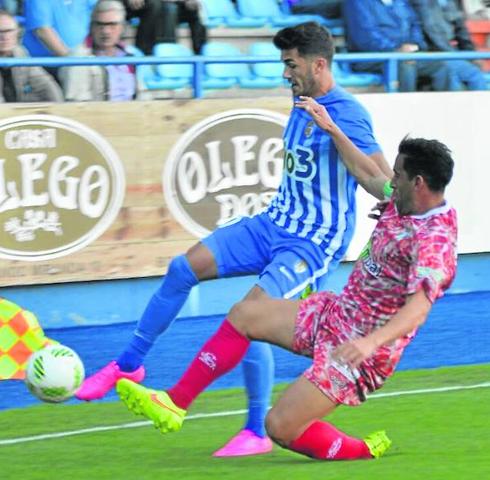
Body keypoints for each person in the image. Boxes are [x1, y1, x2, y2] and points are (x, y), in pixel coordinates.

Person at [76, 21, 391, 457]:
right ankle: (130, 364)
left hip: (311, 243)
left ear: (318, 64)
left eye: (291, 64)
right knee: (183, 268)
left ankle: (255, 429)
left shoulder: (347, 112)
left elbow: (377, 175)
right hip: (272, 223)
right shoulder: (301, 99)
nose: (285, 73)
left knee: (252, 316)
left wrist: (393, 199)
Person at [115, 103, 458, 462]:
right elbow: (365, 173)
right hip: (335, 314)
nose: (392, 180)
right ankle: (174, 403)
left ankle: (362, 450)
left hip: (360, 351)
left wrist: (370, 343)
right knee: (246, 313)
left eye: (399, 176)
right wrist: (333, 130)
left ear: (418, 184)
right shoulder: (405, 203)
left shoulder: (434, 239)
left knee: (279, 427)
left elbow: (418, 309)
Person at [343, 0, 456, 92]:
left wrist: (414, 44)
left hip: (406, 54)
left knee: (440, 65)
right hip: (371, 57)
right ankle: (406, 113)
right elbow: (365, 37)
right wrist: (395, 49)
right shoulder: (357, 2)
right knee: (405, 64)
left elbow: (415, 24)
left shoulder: (400, 1)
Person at [59, 1, 141, 101]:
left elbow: (142, 95)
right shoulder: (78, 58)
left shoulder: (132, 54)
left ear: (122, 27)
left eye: (112, 25)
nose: (105, 31)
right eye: (100, 24)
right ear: (91, 27)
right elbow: (77, 105)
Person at [410, 0, 487, 90]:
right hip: (432, 53)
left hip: (449, 53)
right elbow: (431, 32)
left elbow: (461, 31)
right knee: (459, 75)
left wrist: (472, 56)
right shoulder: (421, 3)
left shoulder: (449, 2)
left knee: (475, 75)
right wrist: (452, 54)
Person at [0, 10, 63, 102]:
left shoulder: (20, 54)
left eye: (9, 31)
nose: (5, 37)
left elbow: (45, 86)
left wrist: (60, 110)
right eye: (0, 32)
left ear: (17, 32)